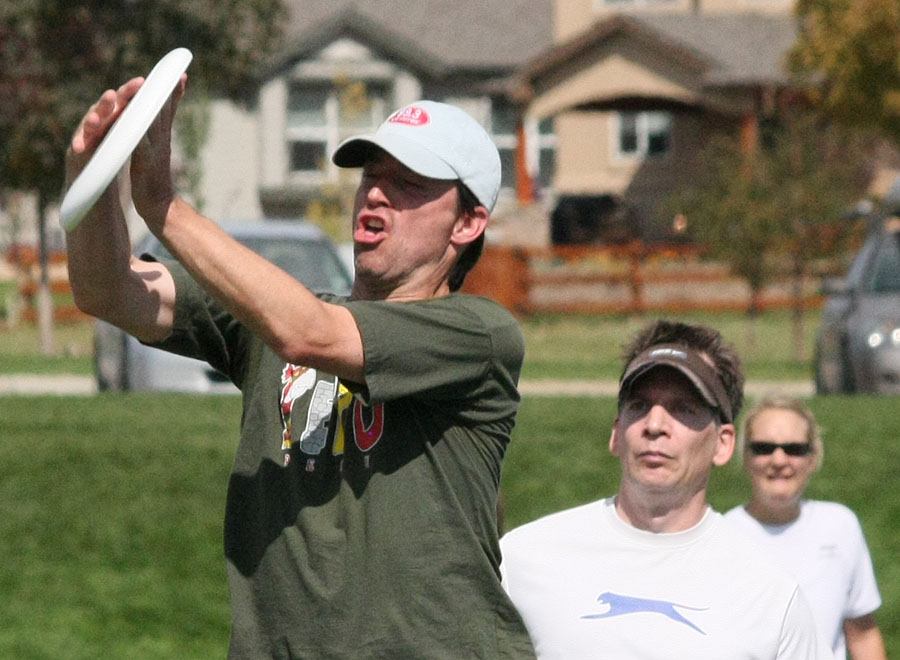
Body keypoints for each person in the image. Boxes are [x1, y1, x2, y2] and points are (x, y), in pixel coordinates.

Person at [65, 76, 536, 658]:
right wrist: (90, 179)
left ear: (467, 223)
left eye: (408, 185)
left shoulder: (478, 336)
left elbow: (308, 335)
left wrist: (164, 206)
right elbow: (107, 291)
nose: (376, 196)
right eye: (371, 177)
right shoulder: (281, 319)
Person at [499, 319, 826, 659]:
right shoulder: (524, 560)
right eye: (639, 406)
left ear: (723, 443)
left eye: (683, 408)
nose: (654, 426)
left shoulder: (768, 595)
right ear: (616, 432)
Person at [725, 397, 887, 660]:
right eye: (763, 447)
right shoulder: (723, 536)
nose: (779, 460)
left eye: (794, 449)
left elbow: (863, 635)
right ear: (745, 456)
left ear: (812, 458)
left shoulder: (840, 526)